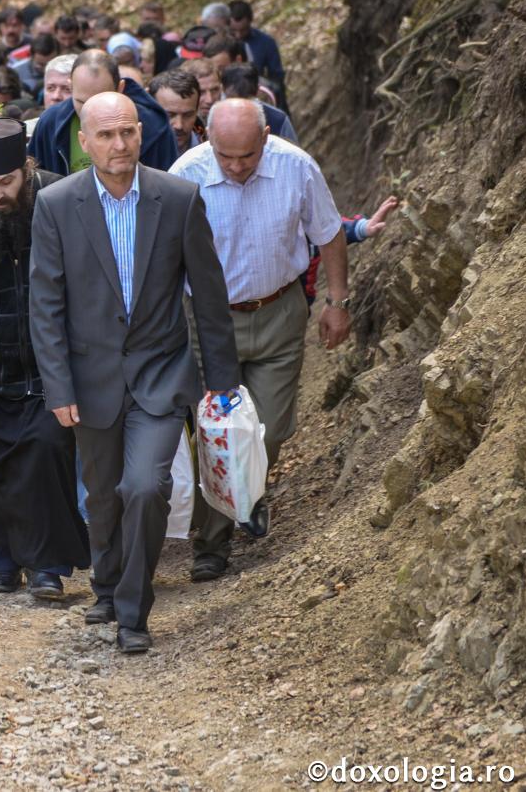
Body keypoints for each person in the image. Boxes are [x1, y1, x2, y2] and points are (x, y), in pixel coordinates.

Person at [28, 92, 240, 653]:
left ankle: (132, 613)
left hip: (160, 374)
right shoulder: (56, 204)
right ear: (85, 142)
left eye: (127, 132)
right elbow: (45, 304)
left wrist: (221, 384)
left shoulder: (178, 198)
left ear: (141, 134)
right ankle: (106, 583)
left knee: (145, 486)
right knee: (103, 497)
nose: (118, 144)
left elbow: (209, 296)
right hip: (88, 377)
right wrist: (58, 386)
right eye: (105, 135)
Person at [170, 100, 348, 581]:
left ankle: (248, 495)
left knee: (268, 429)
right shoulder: (185, 174)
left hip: (278, 312)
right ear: (208, 139)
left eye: (246, 156)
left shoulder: (296, 167)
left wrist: (337, 300)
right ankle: (212, 544)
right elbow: (163, 254)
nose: (235, 166)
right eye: (225, 156)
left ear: (265, 138)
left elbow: (329, 233)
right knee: (218, 432)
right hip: (209, 320)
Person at [0, 119, 89, 600]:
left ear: (26, 168)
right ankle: (1, 560)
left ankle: (47, 566)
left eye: (6, 182)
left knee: (45, 454)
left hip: (53, 367)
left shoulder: (59, 200)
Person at [28, 49, 178, 176]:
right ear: (71, 87)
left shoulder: (156, 128)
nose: (90, 111)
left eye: (100, 100)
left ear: (120, 88)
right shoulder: (50, 123)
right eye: (81, 102)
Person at [228, 0, 287, 108]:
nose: (238, 35)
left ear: (250, 22)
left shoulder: (266, 42)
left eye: (243, 30)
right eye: (234, 31)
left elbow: (277, 76)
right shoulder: (222, 43)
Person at [221, 63, 297, 142]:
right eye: (234, 100)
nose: (240, 108)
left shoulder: (278, 121)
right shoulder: (215, 117)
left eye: (246, 100)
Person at [147, 69, 204, 154]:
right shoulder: (137, 152)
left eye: (188, 115)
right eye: (170, 115)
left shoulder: (213, 151)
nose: (179, 125)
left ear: (197, 110)